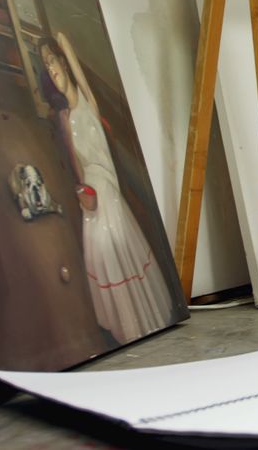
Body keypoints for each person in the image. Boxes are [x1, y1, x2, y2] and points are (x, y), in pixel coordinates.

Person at [40, 32, 174, 344]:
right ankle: (127, 329)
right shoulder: (65, 118)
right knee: (101, 252)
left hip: (109, 191)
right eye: (47, 66)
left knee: (116, 246)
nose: (53, 71)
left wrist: (63, 44)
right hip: (92, 195)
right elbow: (73, 165)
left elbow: (76, 69)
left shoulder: (87, 103)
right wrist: (81, 194)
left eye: (54, 62)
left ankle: (145, 323)